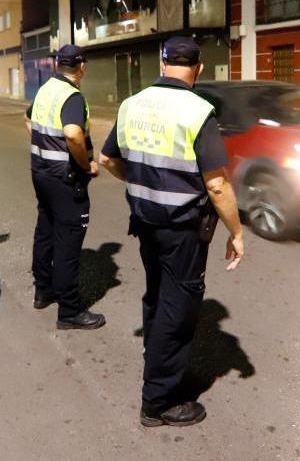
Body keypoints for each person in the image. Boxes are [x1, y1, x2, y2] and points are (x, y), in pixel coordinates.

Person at [99, 36, 245, 428]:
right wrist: (236, 231)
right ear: (197, 69)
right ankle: (158, 402)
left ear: (162, 65)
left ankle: (156, 358)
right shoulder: (199, 111)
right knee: (177, 310)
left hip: (146, 223)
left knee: (157, 295)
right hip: (183, 230)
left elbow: (107, 158)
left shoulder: (132, 104)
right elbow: (216, 185)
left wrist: (140, 182)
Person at [26, 45, 105, 330]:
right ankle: (69, 310)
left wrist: (46, 147)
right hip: (65, 177)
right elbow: (73, 135)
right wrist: (85, 165)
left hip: (41, 172)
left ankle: (43, 290)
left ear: (58, 65)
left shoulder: (46, 89)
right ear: (81, 67)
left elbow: (29, 118)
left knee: (45, 229)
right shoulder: (72, 96)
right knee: (68, 240)